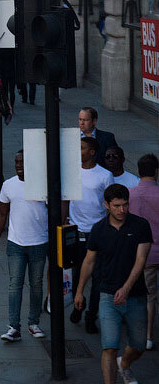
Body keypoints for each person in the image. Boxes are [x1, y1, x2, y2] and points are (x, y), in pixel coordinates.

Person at [74, 183, 152, 384]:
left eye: (125, 205)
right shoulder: (98, 230)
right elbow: (88, 262)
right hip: (107, 296)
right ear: (106, 205)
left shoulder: (140, 226)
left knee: (138, 345)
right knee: (109, 346)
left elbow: (141, 261)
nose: (122, 210)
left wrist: (126, 288)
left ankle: (125, 363)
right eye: (117, 206)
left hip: (135, 296)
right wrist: (80, 291)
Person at [0, 150, 49, 341]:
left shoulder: (42, 185)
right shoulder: (8, 185)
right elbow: (1, 214)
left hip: (39, 243)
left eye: (22, 162)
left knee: (36, 285)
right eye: (16, 162)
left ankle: (33, 323)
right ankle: (14, 327)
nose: (18, 165)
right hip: (15, 243)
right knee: (15, 285)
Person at [70, 136, 116, 334]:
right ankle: (78, 303)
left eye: (81, 148)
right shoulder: (71, 171)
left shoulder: (104, 175)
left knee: (98, 278)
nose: (77, 151)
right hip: (75, 231)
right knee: (75, 274)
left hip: (96, 233)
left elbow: (109, 205)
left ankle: (91, 315)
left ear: (91, 152)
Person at [130, 154, 159, 351]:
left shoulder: (130, 195)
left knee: (148, 295)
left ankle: (147, 336)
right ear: (157, 172)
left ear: (138, 172)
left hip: (142, 252)